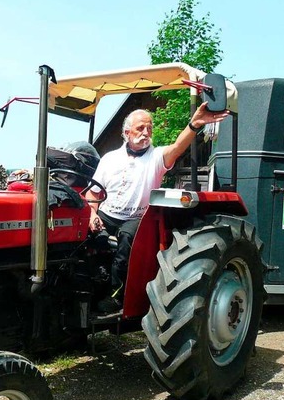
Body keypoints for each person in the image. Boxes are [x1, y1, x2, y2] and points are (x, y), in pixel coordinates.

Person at [86, 102, 230, 313]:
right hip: (107, 214)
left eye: (149, 128)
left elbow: (177, 148)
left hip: (137, 218)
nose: (146, 133)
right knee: (81, 238)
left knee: (126, 238)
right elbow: (94, 192)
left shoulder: (157, 157)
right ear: (127, 132)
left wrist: (194, 124)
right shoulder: (109, 158)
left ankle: (116, 297)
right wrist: (91, 214)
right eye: (140, 128)